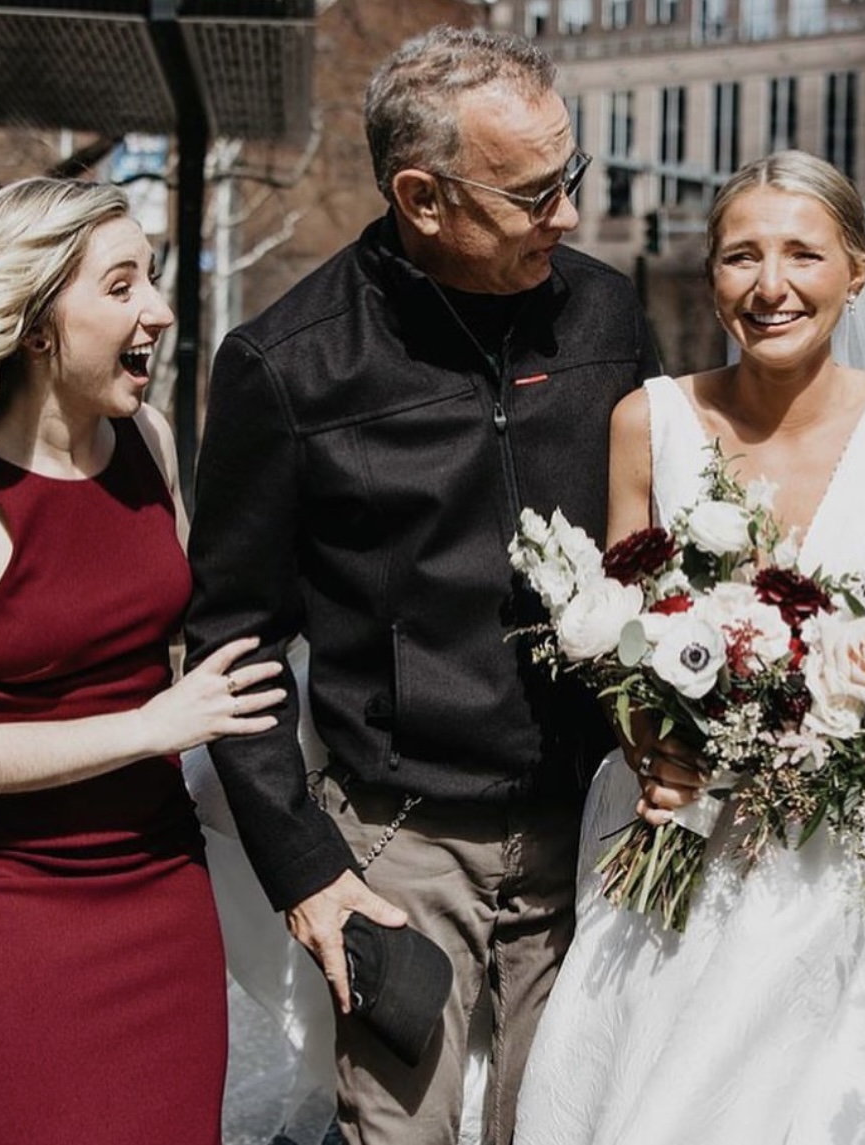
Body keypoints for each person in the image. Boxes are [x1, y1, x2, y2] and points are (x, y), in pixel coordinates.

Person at [183, 24, 660, 1145]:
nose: (569, 217)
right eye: (536, 192)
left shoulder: (605, 315)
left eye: (570, 177)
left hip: (590, 824)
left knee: (560, 1126)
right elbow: (236, 639)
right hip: (398, 844)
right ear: (423, 196)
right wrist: (305, 867)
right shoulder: (287, 363)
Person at [514, 151, 865, 1145]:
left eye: (803, 253)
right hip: (682, 847)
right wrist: (648, 740)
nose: (771, 284)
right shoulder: (649, 421)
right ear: (711, 277)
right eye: (741, 256)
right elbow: (616, 635)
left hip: (863, 868)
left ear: (858, 271)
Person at [0, 178, 285, 1145]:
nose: (158, 309)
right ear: (34, 326)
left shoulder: (149, 440)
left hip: (162, 897)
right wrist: (151, 727)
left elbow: (188, 638)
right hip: (14, 915)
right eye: (121, 286)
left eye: (151, 277)